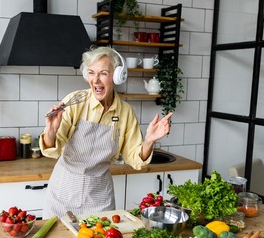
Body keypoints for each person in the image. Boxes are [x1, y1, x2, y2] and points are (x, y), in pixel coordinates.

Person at [39, 46, 173, 218]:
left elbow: (134, 159)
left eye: (103, 73)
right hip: (62, 193)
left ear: (117, 76)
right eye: (91, 73)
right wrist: (51, 130)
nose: (96, 80)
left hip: (99, 198)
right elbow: (53, 150)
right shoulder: (75, 102)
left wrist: (149, 141)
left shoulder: (125, 112)